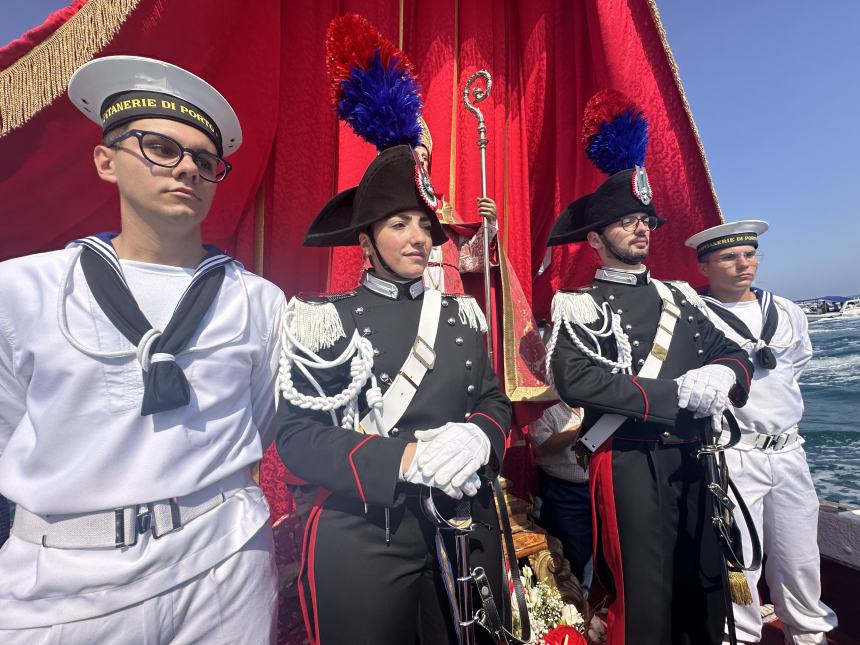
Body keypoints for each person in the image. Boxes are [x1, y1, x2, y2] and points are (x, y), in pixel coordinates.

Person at [0, 56, 284, 643]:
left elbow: (262, 419)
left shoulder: (259, 302)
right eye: (159, 147)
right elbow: (9, 429)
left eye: (206, 161)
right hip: (63, 585)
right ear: (106, 160)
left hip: (223, 566)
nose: (186, 169)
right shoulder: (21, 290)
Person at [275, 143, 513, 645]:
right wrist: (402, 460)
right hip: (366, 529)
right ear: (366, 241)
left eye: (426, 225)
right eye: (400, 224)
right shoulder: (325, 321)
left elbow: (493, 400)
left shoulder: (460, 316)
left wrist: (479, 437)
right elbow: (297, 438)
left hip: (463, 523)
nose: (419, 238)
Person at [545, 89, 754, 645]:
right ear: (594, 239)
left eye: (645, 220)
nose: (641, 229)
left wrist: (726, 375)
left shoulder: (681, 297)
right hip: (630, 461)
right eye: (626, 221)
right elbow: (576, 377)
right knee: (644, 593)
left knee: (704, 585)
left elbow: (736, 352)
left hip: (696, 459)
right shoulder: (578, 305)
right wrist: (673, 396)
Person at [685, 221, 838, 645]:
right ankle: (743, 636)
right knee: (740, 558)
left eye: (750, 255)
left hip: (789, 450)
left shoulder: (787, 310)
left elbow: (796, 366)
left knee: (800, 555)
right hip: (734, 453)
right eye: (728, 257)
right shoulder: (693, 316)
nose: (743, 264)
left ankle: (808, 632)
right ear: (704, 266)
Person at [530, 401, 593, 598]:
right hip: (563, 493)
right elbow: (541, 447)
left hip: (594, 488)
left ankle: (593, 605)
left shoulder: (589, 400)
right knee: (574, 556)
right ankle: (576, 610)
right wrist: (582, 431)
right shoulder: (545, 406)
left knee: (598, 553)